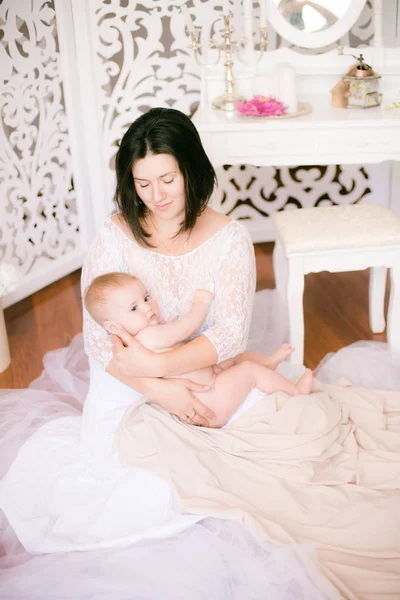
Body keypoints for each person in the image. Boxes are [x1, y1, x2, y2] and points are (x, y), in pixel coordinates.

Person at [84, 272, 312, 427]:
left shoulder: (131, 347)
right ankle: (295, 391)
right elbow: (185, 329)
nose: (147, 307)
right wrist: (200, 304)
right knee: (248, 369)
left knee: (232, 356)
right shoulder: (149, 336)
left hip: (206, 386)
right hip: (210, 401)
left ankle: (268, 365)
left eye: (146, 297)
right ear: (114, 326)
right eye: (134, 308)